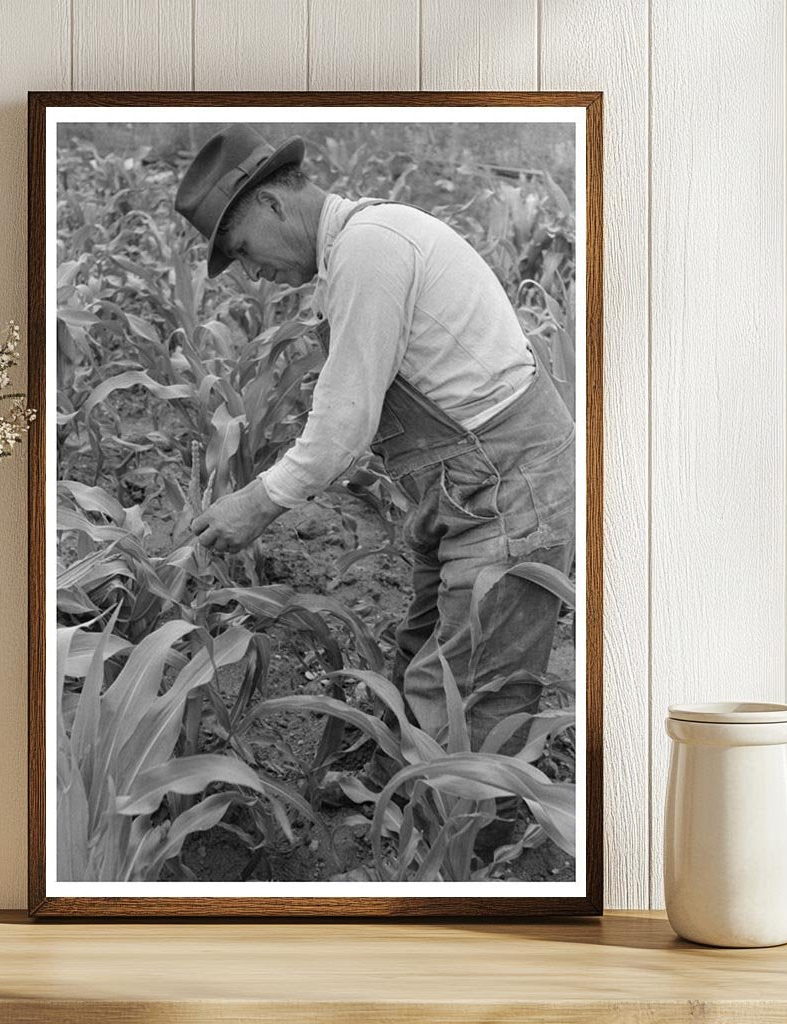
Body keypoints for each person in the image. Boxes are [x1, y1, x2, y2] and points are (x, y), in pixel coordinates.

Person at [174, 124, 575, 800]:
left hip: (508, 486)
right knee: (424, 656)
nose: (250, 272)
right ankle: (394, 805)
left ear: (273, 204)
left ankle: (460, 863)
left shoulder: (370, 251)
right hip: (465, 489)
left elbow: (344, 424)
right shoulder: (357, 251)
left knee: (474, 692)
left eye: (241, 250)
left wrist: (256, 503)